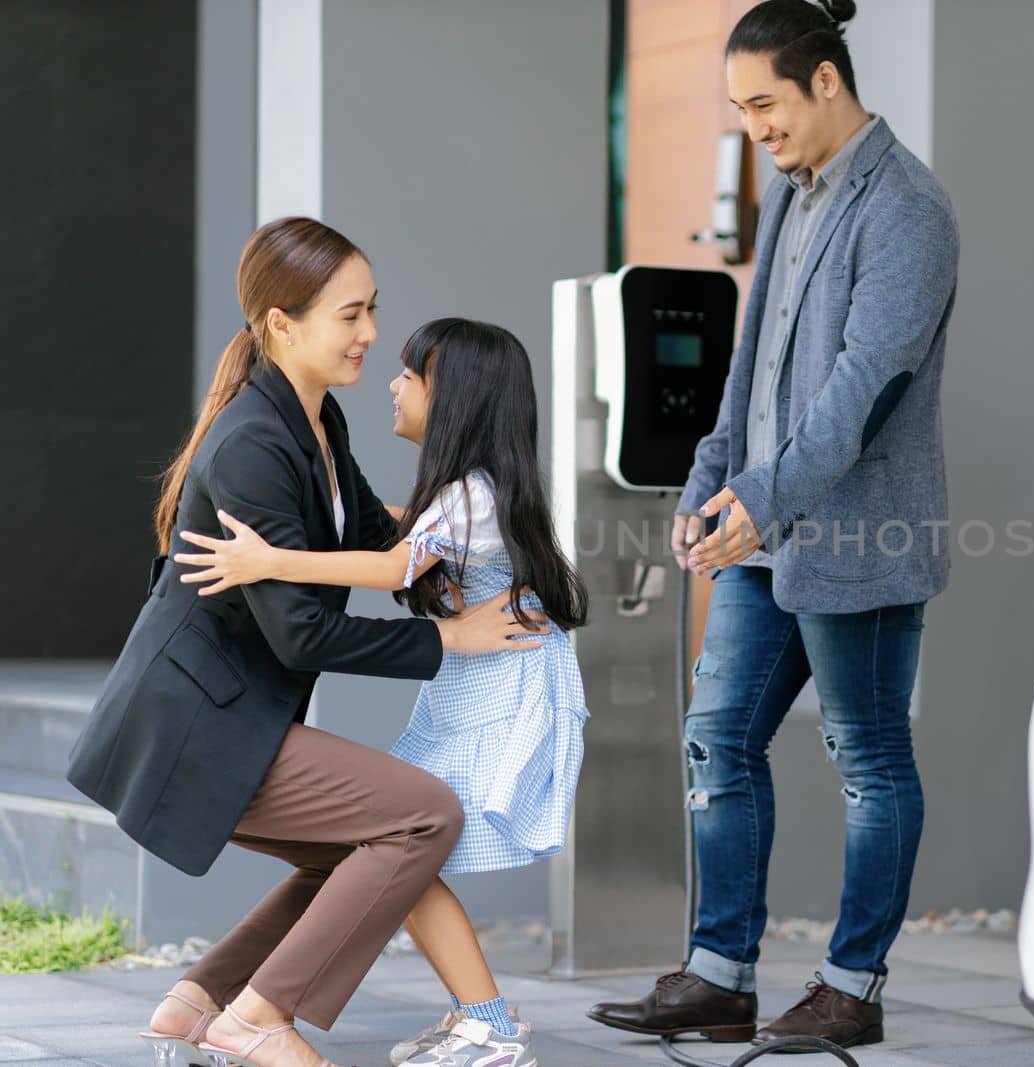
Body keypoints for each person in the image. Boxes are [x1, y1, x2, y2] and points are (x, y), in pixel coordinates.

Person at [66, 218, 546, 1067]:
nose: (369, 334)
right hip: (196, 727)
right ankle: (258, 1016)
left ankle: (200, 1000)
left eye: (372, 310)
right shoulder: (253, 443)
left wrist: (485, 534)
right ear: (283, 324)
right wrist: (452, 639)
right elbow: (302, 633)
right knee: (423, 814)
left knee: (367, 847)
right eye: (350, 315)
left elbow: (375, 534)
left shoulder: (316, 422)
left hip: (228, 717)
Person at [587, 0, 959, 1051]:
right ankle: (719, 972)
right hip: (762, 525)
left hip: (856, 536)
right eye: (739, 107)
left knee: (867, 756)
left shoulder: (908, 210)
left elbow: (862, 390)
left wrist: (761, 500)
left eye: (765, 104)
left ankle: (852, 983)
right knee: (718, 741)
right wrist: (710, 478)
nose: (753, 127)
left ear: (825, 83)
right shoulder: (795, 197)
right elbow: (748, 367)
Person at [173, 318, 589, 1067]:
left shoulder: (470, 497)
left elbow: (394, 567)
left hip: (499, 691)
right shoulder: (468, 495)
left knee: (406, 837)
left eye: (411, 373)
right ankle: (477, 1017)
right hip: (480, 687)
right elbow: (401, 541)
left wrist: (271, 558)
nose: (393, 383)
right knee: (403, 840)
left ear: (455, 398)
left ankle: (487, 1024)